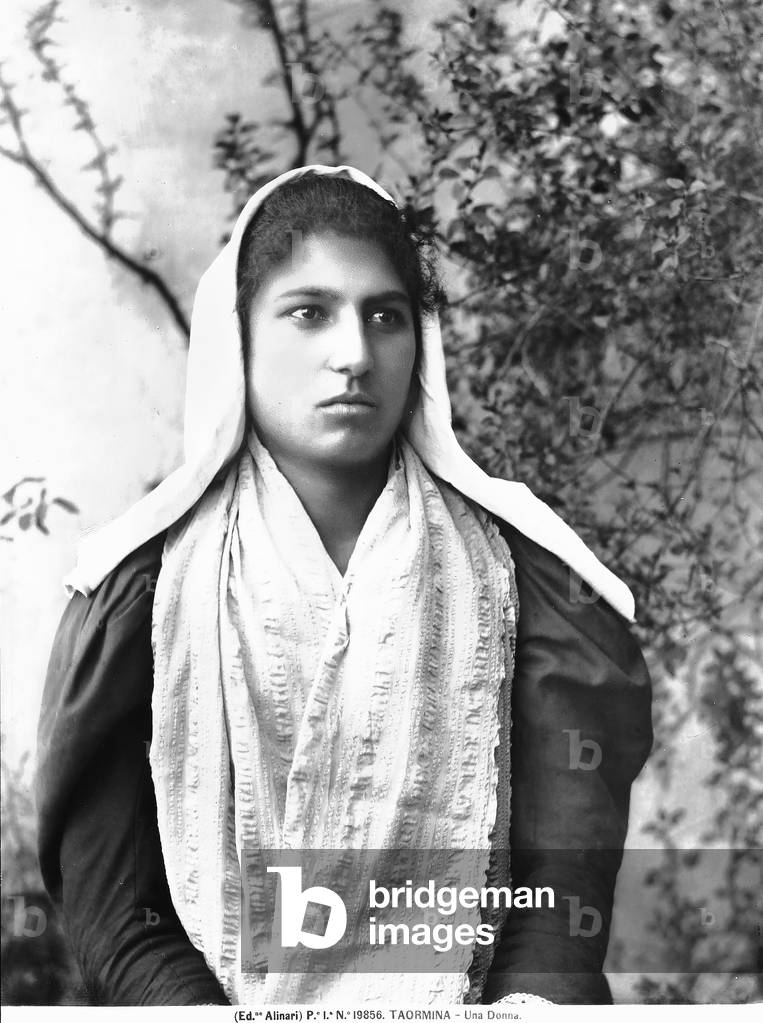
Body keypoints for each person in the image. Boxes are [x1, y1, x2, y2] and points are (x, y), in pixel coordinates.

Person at [36, 165, 654, 1006]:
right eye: (308, 313)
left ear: (419, 342)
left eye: (384, 317)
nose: (354, 354)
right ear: (239, 337)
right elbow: (121, 910)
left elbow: (559, 889)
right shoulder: (139, 590)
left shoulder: (524, 575)